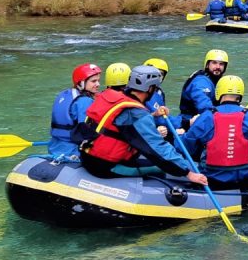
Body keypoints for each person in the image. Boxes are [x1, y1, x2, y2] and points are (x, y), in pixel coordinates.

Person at [76, 65, 208, 185]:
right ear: (150, 88)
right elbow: (158, 147)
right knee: (162, 166)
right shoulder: (137, 113)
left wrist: (153, 115)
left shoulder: (111, 96)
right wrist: (188, 173)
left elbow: (121, 124)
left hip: (86, 156)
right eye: (155, 88)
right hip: (105, 166)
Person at [182, 76, 248, 190]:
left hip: (211, 178)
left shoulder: (207, 116)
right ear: (240, 95)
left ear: (218, 93)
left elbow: (186, 145)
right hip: (243, 178)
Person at [49, 63, 102, 161]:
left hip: (54, 146)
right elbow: (87, 133)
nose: (98, 84)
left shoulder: (64, 94)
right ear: (81, 83)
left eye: (98, 81)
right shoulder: (85, 101)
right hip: (73, 151)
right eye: (93, 81)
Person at [142, 57, 185, 136]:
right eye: (154, 74)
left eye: (160, 74)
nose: (157, 77)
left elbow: (162, 117)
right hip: (147, 131)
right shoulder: (140, 93)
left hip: (158, 127)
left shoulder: (159, 92)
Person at [180, 49, 228, 119]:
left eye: (221, 64)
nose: (218, 67)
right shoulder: (200, 82)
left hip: (208, 117)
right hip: (191, 120)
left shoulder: (217, 80)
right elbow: (204, 106)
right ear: (207, 65)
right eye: (214, 63)